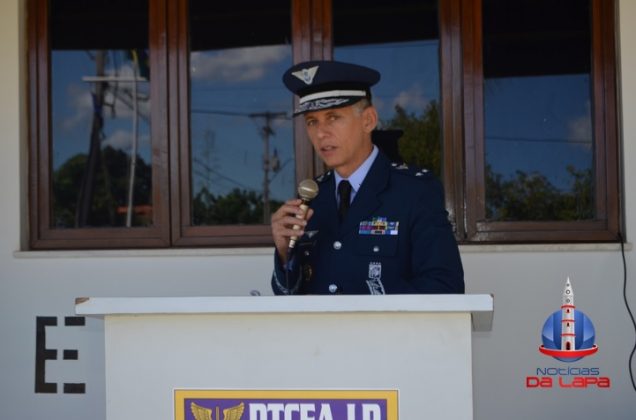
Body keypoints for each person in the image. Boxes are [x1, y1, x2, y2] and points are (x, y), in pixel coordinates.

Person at [270, 60, 464, 295]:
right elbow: (289, 298)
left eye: (333, 117)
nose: (321, 133)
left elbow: (444, 288)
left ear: (368, 120)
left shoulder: (414, 191)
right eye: (312, 121)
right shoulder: (311, 200)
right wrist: (284, 253)